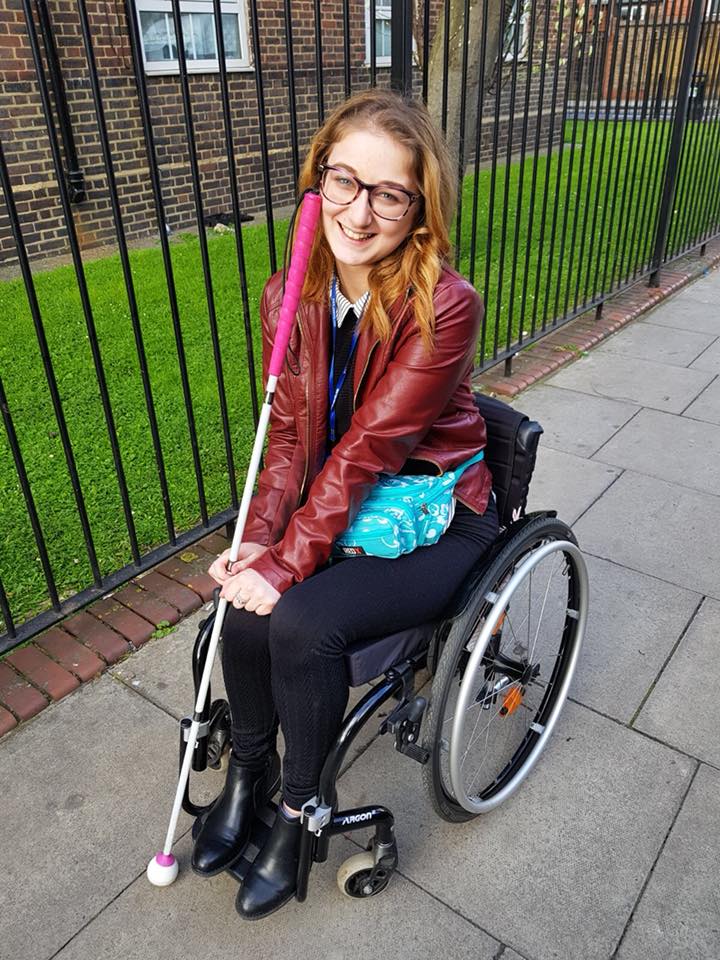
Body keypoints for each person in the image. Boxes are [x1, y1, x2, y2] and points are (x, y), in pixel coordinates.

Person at [194, 88, 499, 920]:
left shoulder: (444, 306)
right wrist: (260, 543)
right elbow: (288, 442)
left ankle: (299, 812)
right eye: (343, 181)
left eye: (389, 193)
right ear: (317, 182)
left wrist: (292, 562)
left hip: (433, 514)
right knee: (242, 607)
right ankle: (249, 775)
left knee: (299, 620)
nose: (359, 213)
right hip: (342, 501)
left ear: (420, 209)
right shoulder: (288, 297)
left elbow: (372, 446)